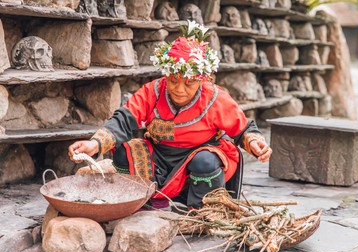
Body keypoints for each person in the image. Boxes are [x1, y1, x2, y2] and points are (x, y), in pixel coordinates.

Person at [68, 20, 272, 209]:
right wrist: (94, 144)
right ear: (166, 73)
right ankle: (136, 200)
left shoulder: (214, 97)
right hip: (160, 156)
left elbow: (244, 128)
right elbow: (124, 119)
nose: (179, 89)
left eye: (189, 83)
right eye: (173, 80)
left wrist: (254, 143)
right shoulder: (153, 91)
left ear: (202, 79)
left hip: (200, 155)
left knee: (204, 161)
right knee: (123, 151)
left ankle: (202, 211)